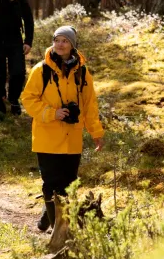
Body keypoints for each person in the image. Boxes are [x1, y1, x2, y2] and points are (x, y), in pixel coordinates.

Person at [21, 26, 104, 232]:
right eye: (57, 40)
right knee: (50, 184)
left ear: (72, 45)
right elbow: (28, 99)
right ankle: (59, 231)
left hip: (72, 138)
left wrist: (96, 132)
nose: (60, 44)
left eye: (65, 41)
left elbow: (90, 104)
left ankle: (47, 218)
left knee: (67, 186)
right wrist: (52, 113)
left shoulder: (83, 72)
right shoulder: (41, 70)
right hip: (46, 137)